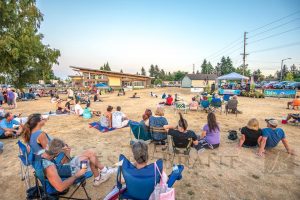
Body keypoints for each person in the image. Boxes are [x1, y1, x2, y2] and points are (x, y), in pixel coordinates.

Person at [36, 138, 116, 190]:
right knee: (90, 156)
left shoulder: (42, 153)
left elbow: (64, 161)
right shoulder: (49, 167)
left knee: (90, 154)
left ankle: (100, 175)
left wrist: (67, 152)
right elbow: (60, 187)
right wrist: (77, 175)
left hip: (66, 167)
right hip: (73, 172)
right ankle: (101, 175)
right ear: (57, 153)